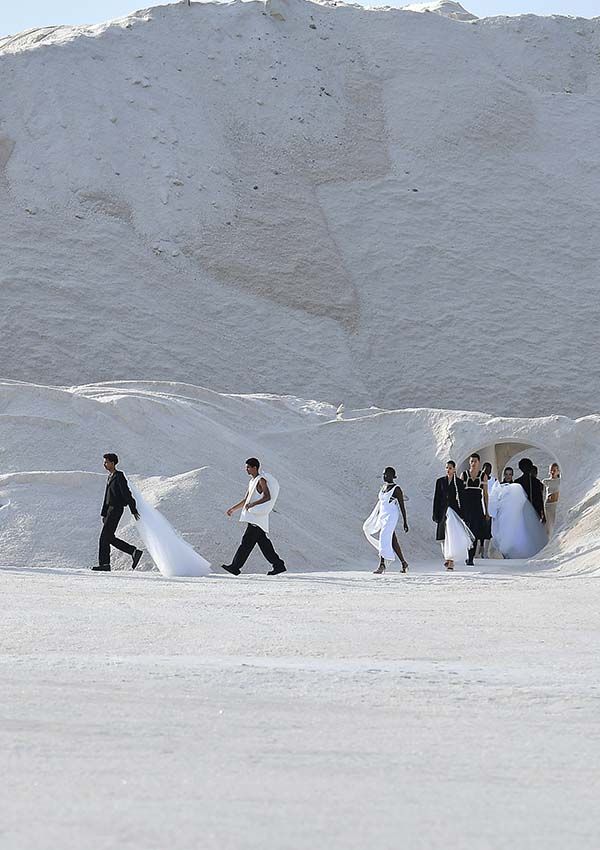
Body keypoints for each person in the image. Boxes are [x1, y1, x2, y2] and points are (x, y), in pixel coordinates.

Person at [221, 458, 286, 576]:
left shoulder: (261, 480)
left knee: (246, 543)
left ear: (255, 467)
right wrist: (233, 509)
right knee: (264, 544)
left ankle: (235, 567)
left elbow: (267, 496)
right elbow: (246, 500)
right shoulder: (252, 481)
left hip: (257, 517)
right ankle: (278, 565)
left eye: (248, 467)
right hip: (254, 517)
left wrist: (253, 504)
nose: (246, 469)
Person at [95, 453, 143, 571]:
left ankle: (105, 565)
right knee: (109, 538)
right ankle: (133, 551)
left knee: (104, 538)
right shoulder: (110, 476)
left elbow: (126, 493)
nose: (104, 464)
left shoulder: (119, 476)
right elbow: (107, 496)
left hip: (116, 509)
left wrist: (133, 508)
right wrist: (104, 513)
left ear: (112, 463)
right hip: (109, 510)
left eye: (106, 462)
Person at [363, 467, 409, 574]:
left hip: (391, 516)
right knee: (392, 539)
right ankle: (404, 563)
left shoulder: (396, 489)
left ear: (392, 476)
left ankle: (382, 565)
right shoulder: (383, 487)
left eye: (386, 474)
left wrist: (405, 522)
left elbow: (402, 506)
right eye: (383, 474)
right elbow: (381, 503)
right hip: (383, 516)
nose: (384, 476)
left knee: (383, 536)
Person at [432, 461, 472, 570]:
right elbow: (437, 498)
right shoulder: (440, 482)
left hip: (454, 511)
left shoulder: (458, 482)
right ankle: (447, 557)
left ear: (454, 469)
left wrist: (463, 514)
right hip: (442, 512)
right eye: (447, 468)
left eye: (450, 468)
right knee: (443, 536)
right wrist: (435, 514)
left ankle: (451, 560)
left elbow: (462, 499)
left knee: (452, 535)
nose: (448, 470)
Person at [461, 453, 490, 565]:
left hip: (477, 508)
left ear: (479, 462)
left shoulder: (483, 476)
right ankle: (467, 554)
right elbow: (460, 493)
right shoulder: (464, 475)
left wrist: (487, 511)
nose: (473, 463)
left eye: (475, 461)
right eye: (471, 461)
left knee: (475, 532)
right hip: (466, 507)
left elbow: (485, 495)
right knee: (466, 532)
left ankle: (471, 557)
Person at [515, 458, 546, 523]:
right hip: (523, 511)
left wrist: (543, 513)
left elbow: (540, 498)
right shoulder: (517, 482)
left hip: (534, 510)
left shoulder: (536, 482)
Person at [479, 462, 496, 558]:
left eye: (489, 469)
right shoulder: (479, 480)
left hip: (489, 508)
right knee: (479, 530)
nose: (487, 471)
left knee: (488, 530)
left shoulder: (494, 480)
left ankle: (485, 551)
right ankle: (479, 550)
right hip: (479, 506)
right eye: (485, 469)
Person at [542, 462, 561, 537]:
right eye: (551, 470)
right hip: (548, 506)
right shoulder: (546, 481)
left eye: (555, 470)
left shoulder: (560, 481)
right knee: (549, 525)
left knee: (555, 524)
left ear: (558, 471)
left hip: (556, 505)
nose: (553, 472)